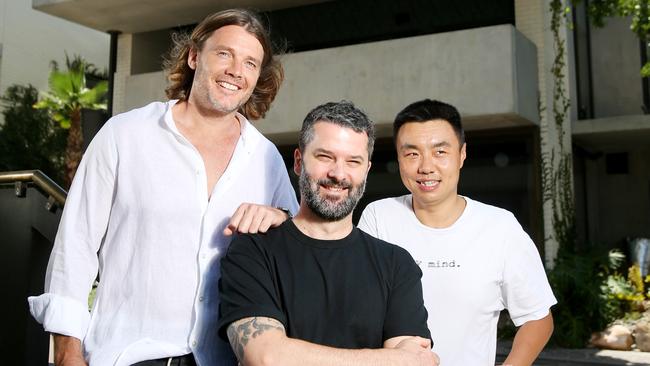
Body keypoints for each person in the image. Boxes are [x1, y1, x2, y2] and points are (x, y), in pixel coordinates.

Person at [28, 9, 298, 366]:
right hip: (130, 355)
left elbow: (298, 253)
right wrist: (66, 354)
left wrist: (279, 217)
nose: (236, 70)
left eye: (250, 62)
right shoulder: (124, 135)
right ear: (193, 56)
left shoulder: (266, 158)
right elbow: (74, 248)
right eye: (224, 54)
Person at [217, 101, 439, 366]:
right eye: (325, 157)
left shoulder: (396, 265)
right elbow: (266, 357)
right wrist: (393, 359)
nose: (338, 174)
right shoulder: (253, 250)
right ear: (299, 162)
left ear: (366, 170)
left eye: (353, 161)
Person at [358, 99, 556, 366]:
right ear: (399, 158)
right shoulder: (379, 218)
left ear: (462, 155)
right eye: (412, 153)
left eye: (440, 152)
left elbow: (538, 318)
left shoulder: (499, 227)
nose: (426, 167)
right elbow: (358, 307)